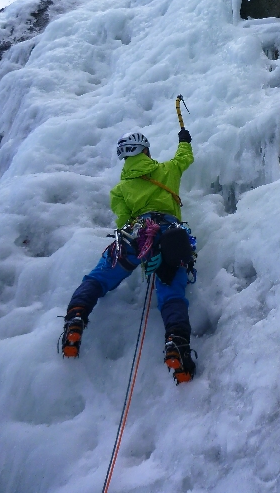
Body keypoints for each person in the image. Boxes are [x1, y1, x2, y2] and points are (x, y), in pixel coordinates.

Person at [60, 129, 196, 383]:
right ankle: (177, 346)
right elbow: (184, 158)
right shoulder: (167, 170)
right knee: (171, 291)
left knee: (99, 277)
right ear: (145, 151)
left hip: (135, 235)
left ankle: (76, 316)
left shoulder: (120, 190)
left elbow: (123, 220)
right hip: (168, 236)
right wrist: (184, 140)